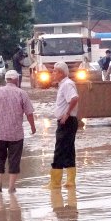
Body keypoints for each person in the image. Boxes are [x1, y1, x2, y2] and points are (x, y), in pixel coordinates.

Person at [0, 70, 36, 193]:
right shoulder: (22, 93)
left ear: (6, 79)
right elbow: (29, 113)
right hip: (16, 134)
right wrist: (33, 127)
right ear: (16, 80)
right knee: (14, 160)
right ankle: (11, 187)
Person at [46, 62, 79, 190]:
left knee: (59, 150)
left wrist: (66, 113)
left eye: (54, 71)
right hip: (69, 121)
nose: (53, 74)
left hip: (67, 122)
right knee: (69, 150)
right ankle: (70, 181)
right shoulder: (64, 84)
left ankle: (55, 182)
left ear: (60, 72)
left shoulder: (67, 84)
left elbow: (74, 98)